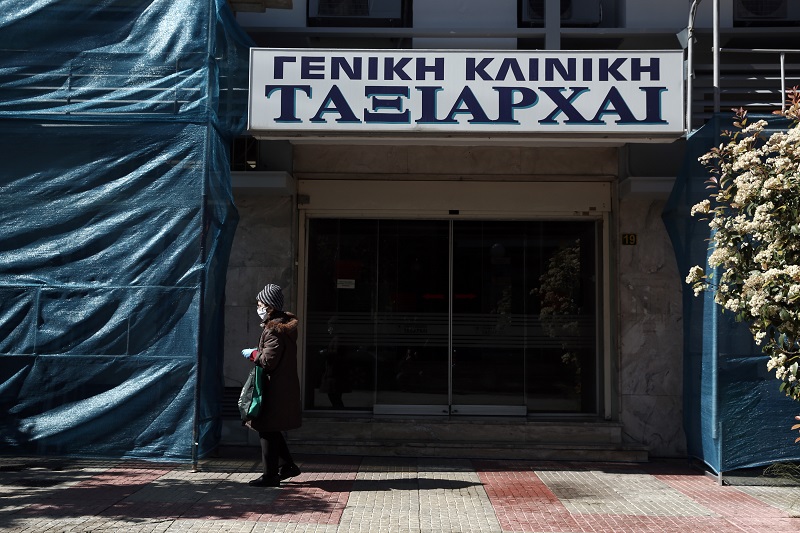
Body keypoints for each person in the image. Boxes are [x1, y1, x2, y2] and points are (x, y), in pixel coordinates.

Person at [241, 284, 302, 487]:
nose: (258, 308)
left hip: (273, 388)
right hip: (280, 386)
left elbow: (268, 361)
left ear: (269, 307)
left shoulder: (274, 330)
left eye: (260, 304)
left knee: (266, 428)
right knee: (271, 428)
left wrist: (253, 354)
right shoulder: (280, 327)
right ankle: (288, 466)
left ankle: (270, 475)